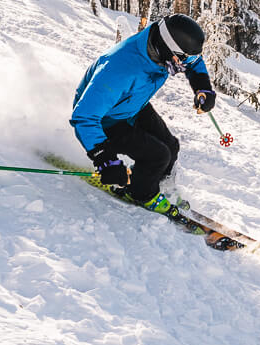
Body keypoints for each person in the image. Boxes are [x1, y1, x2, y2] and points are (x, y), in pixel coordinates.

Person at [71, 14, 216, 214]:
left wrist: (203, 87)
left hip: (132, 105)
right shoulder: (119, 70)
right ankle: (142, 193)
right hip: (106, 120)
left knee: (171, 146)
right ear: (167, 49)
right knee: (157, 155)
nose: (187, 63)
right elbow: (84, 116)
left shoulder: (162, 49)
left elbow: (193, 62)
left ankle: (160, 186)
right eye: (184, 58)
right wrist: (104, 159)